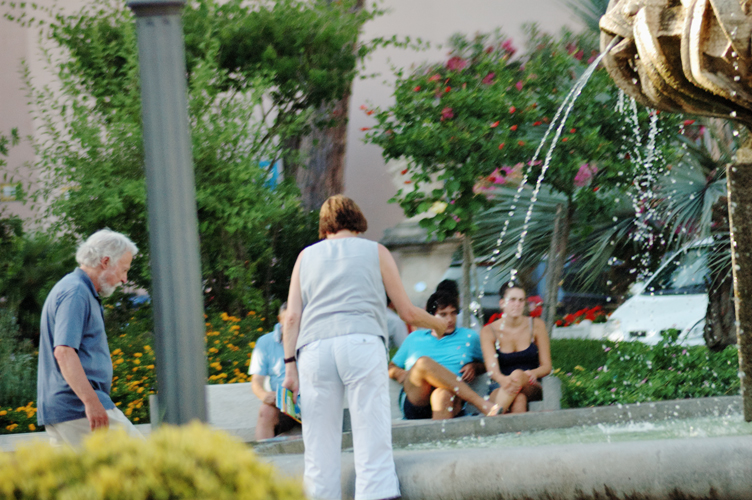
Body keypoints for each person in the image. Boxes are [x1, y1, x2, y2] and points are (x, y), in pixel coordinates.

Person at [282, 195, 454, 500]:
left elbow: (292, 316)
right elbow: (406, 312)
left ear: (325, 225)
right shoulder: (376, 251)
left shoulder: (305, 257)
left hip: (314, 350)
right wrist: (439, 324)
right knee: (370, 435)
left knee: (319, 446)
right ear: (357, 220)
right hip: (361, 343)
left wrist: (289, 367)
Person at [37, 229, 142, 447]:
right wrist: (91, 402)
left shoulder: (77, 289)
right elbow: (64, 352)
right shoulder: (76, 292)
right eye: (124, 270)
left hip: (65, 409)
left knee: (77, 481)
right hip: (77, 408)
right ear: (105, 261)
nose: (124, 279)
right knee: (149, 466)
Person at [389, 291, 504, 420]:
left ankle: (440, 439)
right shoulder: (415, 338)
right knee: (423, 363)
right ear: (431, 316)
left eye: (453, 313)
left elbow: (489, 364)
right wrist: (400, 374)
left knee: (442, 395)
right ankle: (480, 403)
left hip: (451, 399)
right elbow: (391, 368)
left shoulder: (469, 337)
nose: (449, 319)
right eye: (443, 314)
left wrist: (475, 367)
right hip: (417, 398)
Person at [480, 282, 552, 414]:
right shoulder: (489, 331)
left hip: (530, 385)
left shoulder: (536, 325)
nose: (517, 304)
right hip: (500, 386)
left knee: (517, 375)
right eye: (512, 300)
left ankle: (491, 421)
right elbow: (492, 370)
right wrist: (503, 380)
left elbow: (547, 366)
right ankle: (518, 434)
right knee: (519, 399)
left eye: (521, 300)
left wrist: (534, 373)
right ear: (502, 303)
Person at [249, 302, 301, 440]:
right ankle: (263, 457)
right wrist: (264, 395)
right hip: (282, 403)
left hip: (309, 399)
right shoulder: (265, 343)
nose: (291, 325)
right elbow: (256, 381)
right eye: (287, 320)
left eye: (295, 320)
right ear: (279, 320)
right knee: (265, 410)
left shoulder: (311, 339)